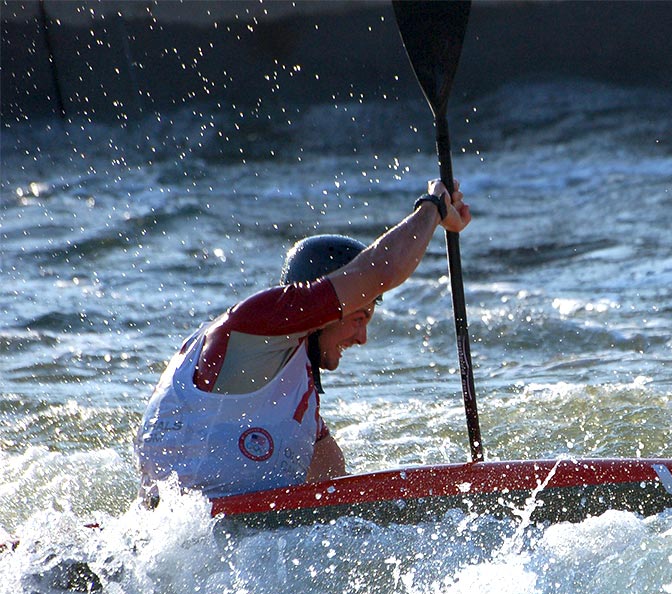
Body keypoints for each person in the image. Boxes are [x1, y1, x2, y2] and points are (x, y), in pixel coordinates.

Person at [135, 179, 470, 506]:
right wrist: (434, 207)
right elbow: (383, 269)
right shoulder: (254, 325)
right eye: (360, 316)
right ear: (325, 308)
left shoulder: (288, 380)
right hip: (180, 541)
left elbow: (332, 484)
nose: (362, 337)